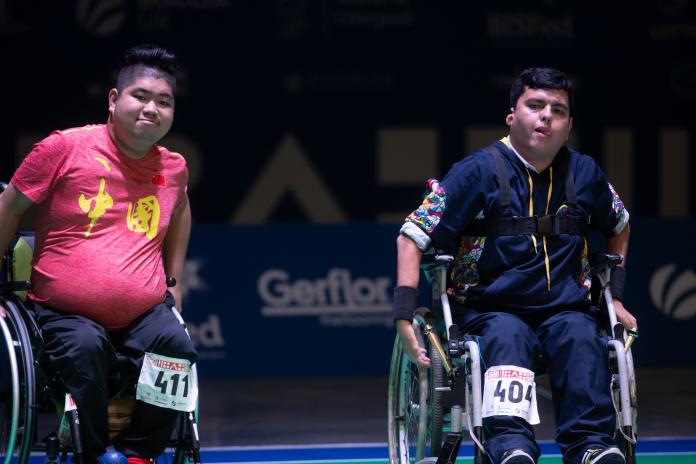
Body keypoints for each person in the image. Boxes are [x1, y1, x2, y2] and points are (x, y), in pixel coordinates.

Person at [393, 67, 636, 464]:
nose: (546, 117)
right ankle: (510, 447)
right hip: (491, 311)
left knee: (581, 335)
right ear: (512, 116)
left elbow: (620, 226)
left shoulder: (586, 172)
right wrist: (404, 316)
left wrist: (618, 297)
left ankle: (592, 446)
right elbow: (411, 236)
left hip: (566, 309)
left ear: (569, 125)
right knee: (507, 335)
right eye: (535, 105)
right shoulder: (477, 171)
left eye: (558, 110)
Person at [0, 44, 196, 464]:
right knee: (85, 348)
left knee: (175, 344)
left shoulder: (174, 167)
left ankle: (139, 455)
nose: (152, 108)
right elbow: (9, 205)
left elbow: (180, 208)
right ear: (114, 100)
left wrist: (174, 281)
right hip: (67, 314)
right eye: (140, 96)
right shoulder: (65, 148)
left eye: (164, 101)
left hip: (144, 313)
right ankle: (91, 455)